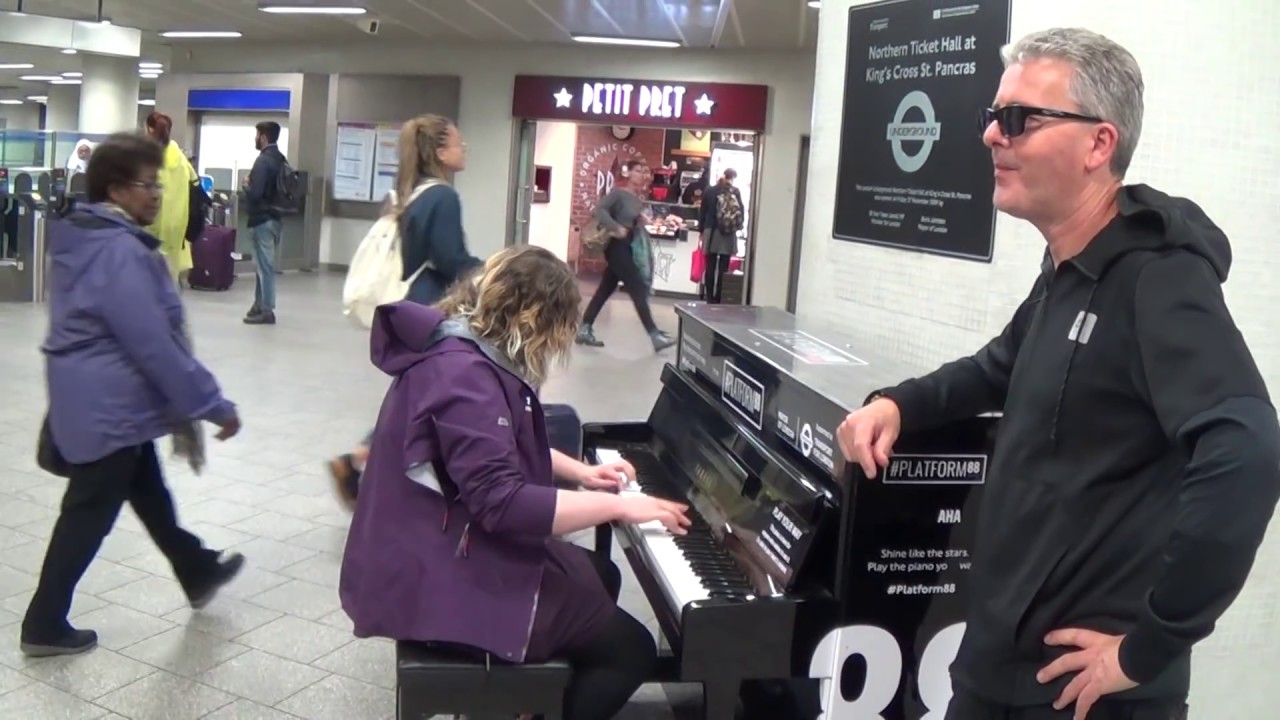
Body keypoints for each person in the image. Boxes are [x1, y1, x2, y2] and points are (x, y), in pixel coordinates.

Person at [836, 27, 1280, 720]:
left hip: (1077, 693)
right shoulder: (1070, 268)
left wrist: (1150, 648)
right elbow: (997, 368)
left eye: (1018, 119)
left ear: (1099, 144)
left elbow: (1246, 450)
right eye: (992, 116)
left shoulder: (1157, 279)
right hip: (994, 667)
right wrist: (898, 404)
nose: (991, 135)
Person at [341, 245, 688, 720]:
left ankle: (523, 702)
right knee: (631, 651)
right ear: (532, 319)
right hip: (432, 574)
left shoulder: (460, 350)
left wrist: (582, 472)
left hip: (431, 545)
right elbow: (501, 504)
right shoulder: (465, 376)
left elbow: (486, 451)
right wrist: (622, 507)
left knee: (601, 575)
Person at [21, 132, 245, 658]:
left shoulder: (89, 235)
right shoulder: (120, 251)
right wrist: (213, 404)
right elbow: (155, 346)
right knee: (88, 513)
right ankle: (44, 623)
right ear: (117, 190)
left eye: (159, 184)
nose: (157, 195)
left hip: (101, 398)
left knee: (147, 491)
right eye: (148, 186)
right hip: (109, 404)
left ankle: (195, 568)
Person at [326, 114, 483, 508]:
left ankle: (361, 459)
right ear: (440, 151)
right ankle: (366, 461)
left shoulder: (408, 194)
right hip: (432, 312)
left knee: (420, 395)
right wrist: (490, 272)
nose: (464, 150)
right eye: (459, 144)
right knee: (430, 397)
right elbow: (450, 258)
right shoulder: (444, 197)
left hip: (408, 309)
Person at [575, 159, 676, 352]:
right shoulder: (618, 193)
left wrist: (640, 219)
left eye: (644, 171)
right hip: (616, 245)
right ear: (627, 173)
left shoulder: (636, 197)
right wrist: (615, 227)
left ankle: (584, 328)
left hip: (628, 244)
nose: (642, 175)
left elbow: (629, 218)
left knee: (605, 289)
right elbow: (600, 210)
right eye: (638, 171)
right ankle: (654, 335)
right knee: (637, 286)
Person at [144, 111, 199, 284]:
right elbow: (196, 185)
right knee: (170, 277)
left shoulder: (149, 158)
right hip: (177, 225)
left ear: (150, 130)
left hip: (152, 223)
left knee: (148, 279)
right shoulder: (182, 159)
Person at [242, 121, 287, 325]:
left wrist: (246, 185)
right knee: (263, 265)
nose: (255, 139)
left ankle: (267, 309)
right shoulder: (281, 160)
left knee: (265, 266)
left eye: (257, 134)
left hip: (262, 219)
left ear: (263, 137)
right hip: (276, 219)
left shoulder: (262, 162)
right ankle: (258, 304)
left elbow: (256, 193)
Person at [698, 169, 744, 304]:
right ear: (733, 178)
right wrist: (738, 228)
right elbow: (740, 212)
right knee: (724, 267)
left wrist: (701, 231)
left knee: (710, 265)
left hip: (710, 231)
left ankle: (709, 298)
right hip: (727, 232)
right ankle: (719, 297)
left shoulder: (710, 191)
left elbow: (703, 212)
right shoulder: (735, 192)